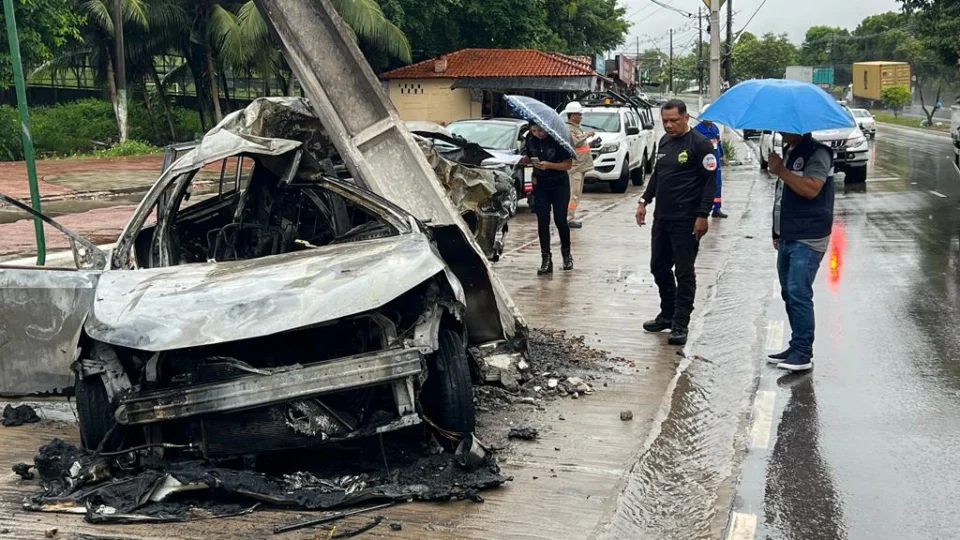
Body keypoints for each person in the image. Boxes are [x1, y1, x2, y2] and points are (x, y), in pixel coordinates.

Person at [635, 99, 717, 346]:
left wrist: (703, 215)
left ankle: (681, 323)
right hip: (663, 218)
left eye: (674, 121)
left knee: (684, 272)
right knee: (658, 268)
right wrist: (644, 201)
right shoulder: (664, 142)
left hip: (687, 221)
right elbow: (658, 175)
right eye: (665, 121)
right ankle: (667, 314)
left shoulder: (701, 145)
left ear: (686, 118)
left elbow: (709, 183)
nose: (669, 125)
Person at [766, 132, 834, 372]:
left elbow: (812, 189)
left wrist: (781, 171)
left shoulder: (819, 153)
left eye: (786, 125)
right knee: (789, 292)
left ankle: (803, 352)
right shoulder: (790, 150)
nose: (781, 129)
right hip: (788, 233)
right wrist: (776, 231)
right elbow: (782, 196)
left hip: (809, 235)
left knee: (799, 292)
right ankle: (796, 346)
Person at [520, 122, 575, 275]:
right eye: (534, 131)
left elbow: (568, 165)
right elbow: (529, 158)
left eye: (541, 130)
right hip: (540, 184)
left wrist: (549, 165)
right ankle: (546, 258)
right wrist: (525, 161)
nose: (538, 133)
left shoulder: (558, 139)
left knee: (560, 219)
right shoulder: (530, 140)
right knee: (542, 220)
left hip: (559, 184)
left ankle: (566, 254)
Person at [563, 102, 596, 228]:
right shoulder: (569, 129)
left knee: (577, 194)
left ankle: (570, 216)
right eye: (578, 114)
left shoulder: (576, 128)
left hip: (581, 167)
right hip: (575, 168)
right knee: (573, 194)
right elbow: (575, 142)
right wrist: (587, 135)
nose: (581, 117)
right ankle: (569, 217)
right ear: (571, 116)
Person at [693, 105, 728, 219]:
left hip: (715, 161)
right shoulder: (698, 130)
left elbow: (719, 143)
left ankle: (716, 208)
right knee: (702, 185)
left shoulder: (715, 129)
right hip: (703, 162)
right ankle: (701, 209)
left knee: (717, 184)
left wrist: (722, 155)